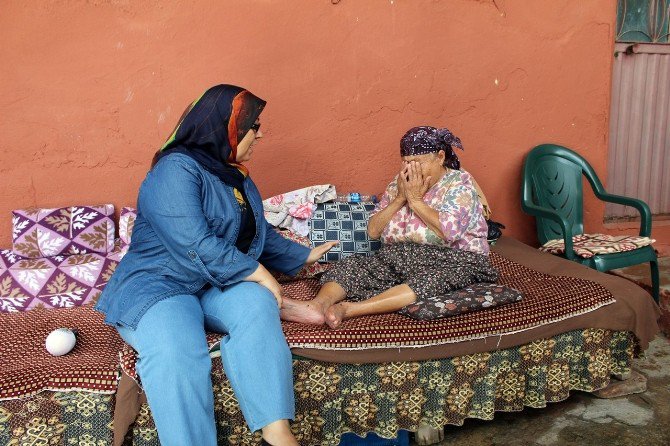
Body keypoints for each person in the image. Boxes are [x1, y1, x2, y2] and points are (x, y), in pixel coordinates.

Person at [95, 84, 335, 446]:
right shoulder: (175, 169)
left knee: (256, 304)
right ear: (228, 127)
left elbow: (257, 231)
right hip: (159, 284)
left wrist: (304, 255)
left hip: (213, 284)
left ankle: (278, 432)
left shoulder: (235, 174)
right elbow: (194, 242)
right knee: (177, 345)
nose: (260, 134)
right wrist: (259, 274)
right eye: (253, 126)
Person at [281, 126, 498, 328]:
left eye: (418, 162)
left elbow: (449, 232)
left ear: (440, 157)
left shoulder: (459, 183)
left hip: (455, 258)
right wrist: (399, 199)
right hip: (401, 256)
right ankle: (317, 305)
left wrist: (415, 201)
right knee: (352, 266)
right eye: (406, 161)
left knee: (431, 281)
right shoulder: (399, 182)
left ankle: (351, 309)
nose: (411, 168)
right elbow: (373, 231)